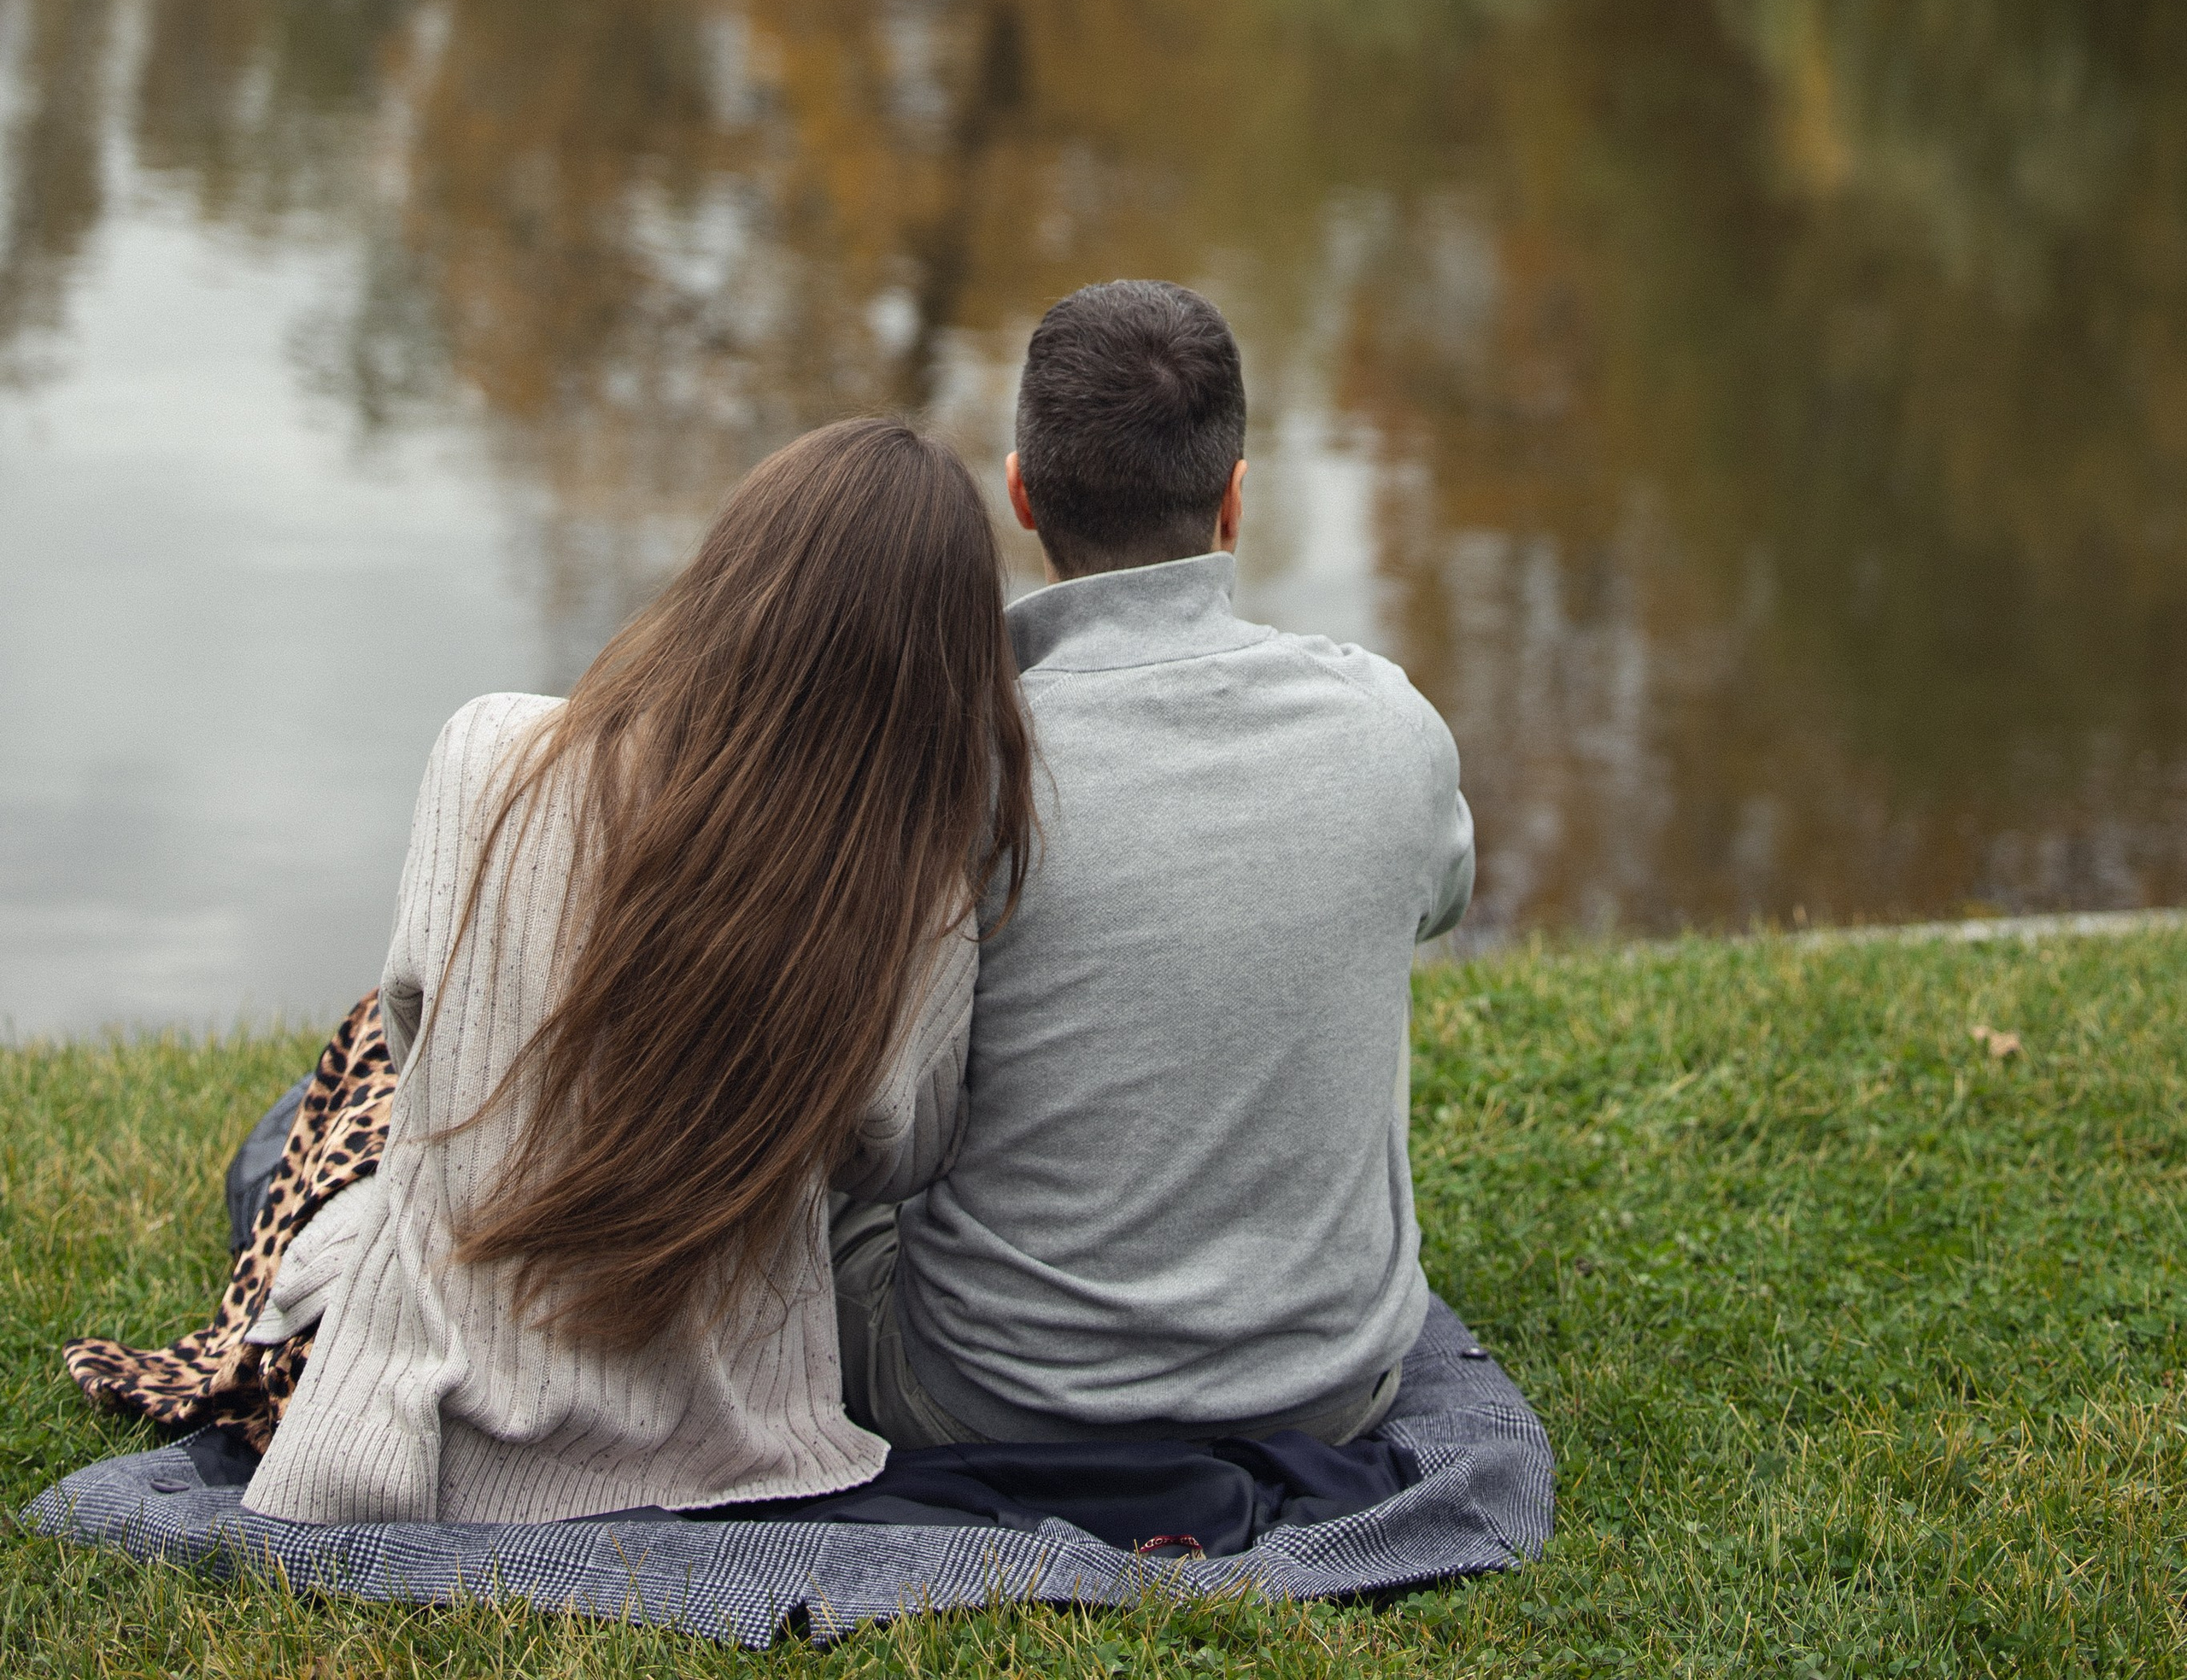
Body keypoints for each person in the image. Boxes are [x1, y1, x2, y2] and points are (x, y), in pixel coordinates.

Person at [243, 418, 1034, 1525]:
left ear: (727, 579)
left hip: (425, 1407)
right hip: (722, 1450)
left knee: (304, 1130)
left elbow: (417, 1035)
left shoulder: (489, 751)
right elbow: (892, 1159)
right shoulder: (917, 901)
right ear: (946, 670)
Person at [835, 278, 1474, 1450]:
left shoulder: (961, 755)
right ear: (1236, 504)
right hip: (1329, 1398)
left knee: (828, 1201)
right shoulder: (1391, 725)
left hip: (994, 1403)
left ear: (1021, 495)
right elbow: (1441, 897)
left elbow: (880, 1132)